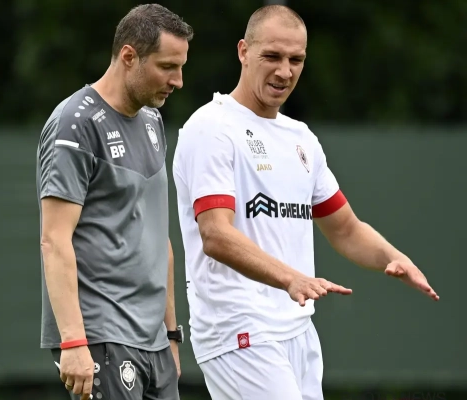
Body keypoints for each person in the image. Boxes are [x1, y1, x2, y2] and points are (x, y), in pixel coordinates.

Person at [172, 5, 439, 400]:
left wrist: (393, 257)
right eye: (272, 56)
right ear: (244, 51)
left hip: (297, 329)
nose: (285, 71)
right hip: (238, 330)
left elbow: (345, 228)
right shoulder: (211, 128)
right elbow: (215, 235)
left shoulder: (301, 139)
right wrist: (290, 278)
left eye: (296, 60)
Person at [35, 5, 193, 400]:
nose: (178, 81)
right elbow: (54, 240)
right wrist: (73, 341)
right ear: (129, 57)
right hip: (102, 337)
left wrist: (171, 334)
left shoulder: (153, 121)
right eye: (167, 67)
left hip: (155, 341)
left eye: (180, 67)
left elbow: (158, 236)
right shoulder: (74, 123)